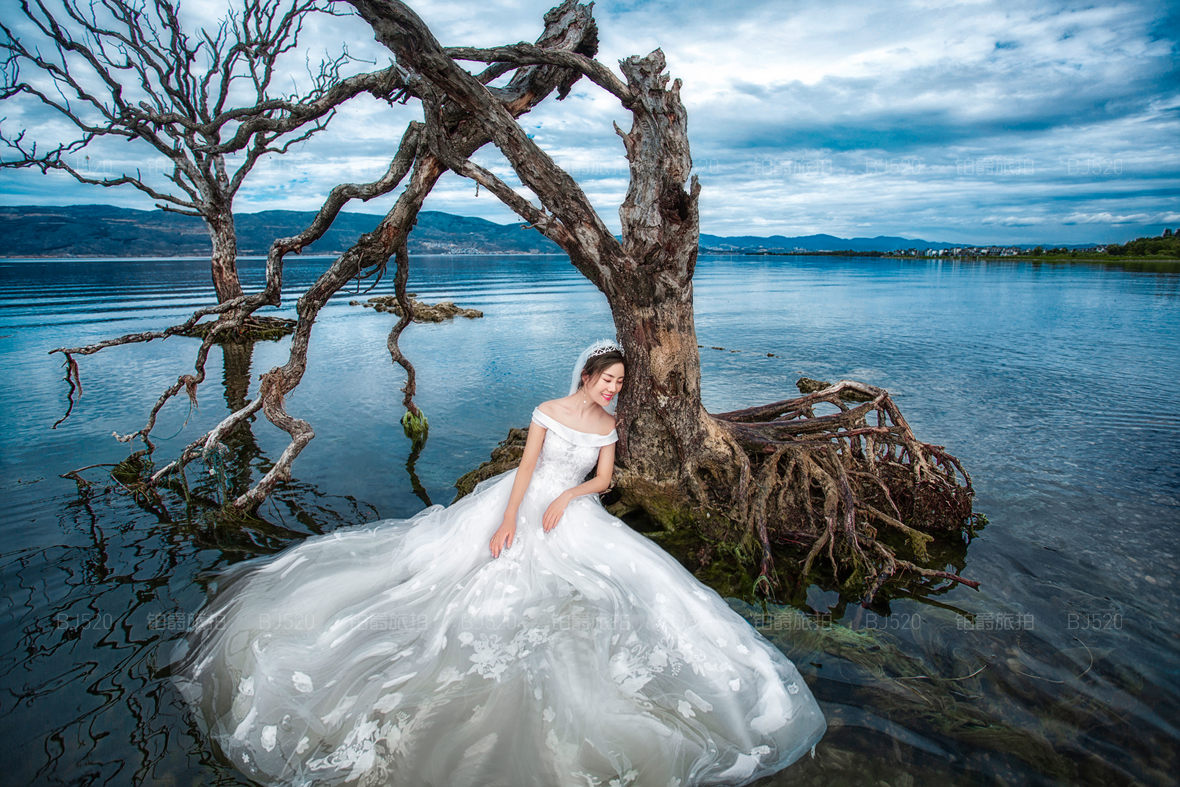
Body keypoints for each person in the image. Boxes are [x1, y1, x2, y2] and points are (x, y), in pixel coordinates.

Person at [170, 339, 826, 786]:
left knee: (628, 594)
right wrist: (513, 515)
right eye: (608, 379)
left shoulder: (608, 428)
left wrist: (568, 498)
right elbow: (525, 469)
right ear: (586, 375)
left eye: (620, 383)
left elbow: (602, 482)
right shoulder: (547, 411)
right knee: (467, 579)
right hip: (521, 500)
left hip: (572, 510)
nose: (613, 388)